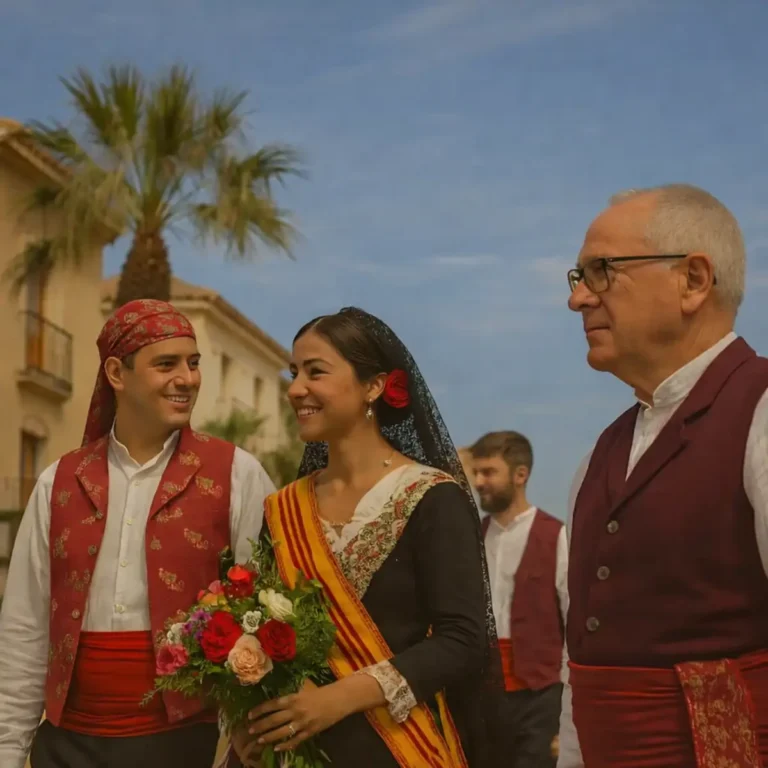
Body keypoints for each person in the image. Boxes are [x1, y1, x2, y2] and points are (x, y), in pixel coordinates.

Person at [0, 299, 275, 768]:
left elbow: (268, 611)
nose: (187, 379)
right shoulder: (58, 482)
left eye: (193, 364)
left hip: (184, 745)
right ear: (116, 373)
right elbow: (25, 627)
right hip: (67, 747)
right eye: (165, 364)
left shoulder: (237, 474)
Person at [223, 307, 502, 767]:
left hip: (397, 747)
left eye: (316, 372)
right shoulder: (283, 508)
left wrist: (336, 699)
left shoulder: (431, 496)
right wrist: (246, 722)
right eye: (294, 373)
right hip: (297, 748)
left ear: (374, 386)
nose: (295, 389)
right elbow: (258, 626)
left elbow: (462, 639)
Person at [558, 184, 768, 767]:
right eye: (576, 276)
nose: (578, 299)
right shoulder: (601, 455)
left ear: (693, 281)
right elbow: (582, 674)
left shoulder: (761, 412)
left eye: (601, 270)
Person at [471, 431, 567, 768]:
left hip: (539, 695)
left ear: (520, 475)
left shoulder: (556, 536)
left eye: (489, 472)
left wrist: (569, 713)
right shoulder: (472, 537)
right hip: (483, 696)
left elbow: (572, 622)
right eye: (476, 472)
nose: (479, 481)